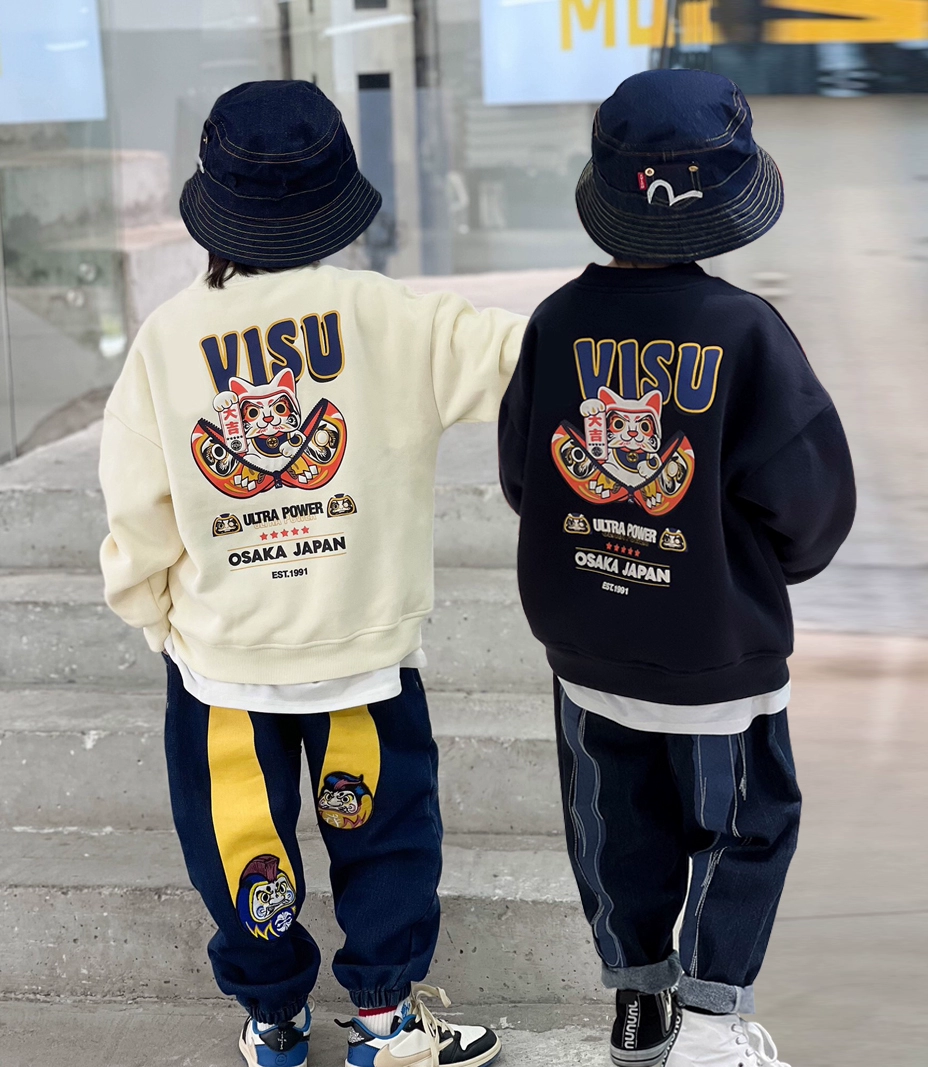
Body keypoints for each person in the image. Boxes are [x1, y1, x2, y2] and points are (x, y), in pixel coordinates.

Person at [99, 80, 523, 1067]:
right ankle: (385, 1022)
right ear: (338, 203)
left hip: (221, 669)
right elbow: (523, 356)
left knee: (239, 846)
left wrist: (157, 614)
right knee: (386, 841)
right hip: (363, 663)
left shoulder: (166, 341)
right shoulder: (389, 316)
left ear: (213, 206)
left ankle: (275, 1019)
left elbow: (134, 509)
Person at [498, 69, 855, 1067]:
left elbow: (525, 476)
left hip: (587, 642)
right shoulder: (746, 331)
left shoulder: (556, 321)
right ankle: (707, 1020)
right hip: (714, 649)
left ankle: (636, 1000)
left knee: (615, 824)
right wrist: (748, 565)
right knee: (745, 823)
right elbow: (810, 503)